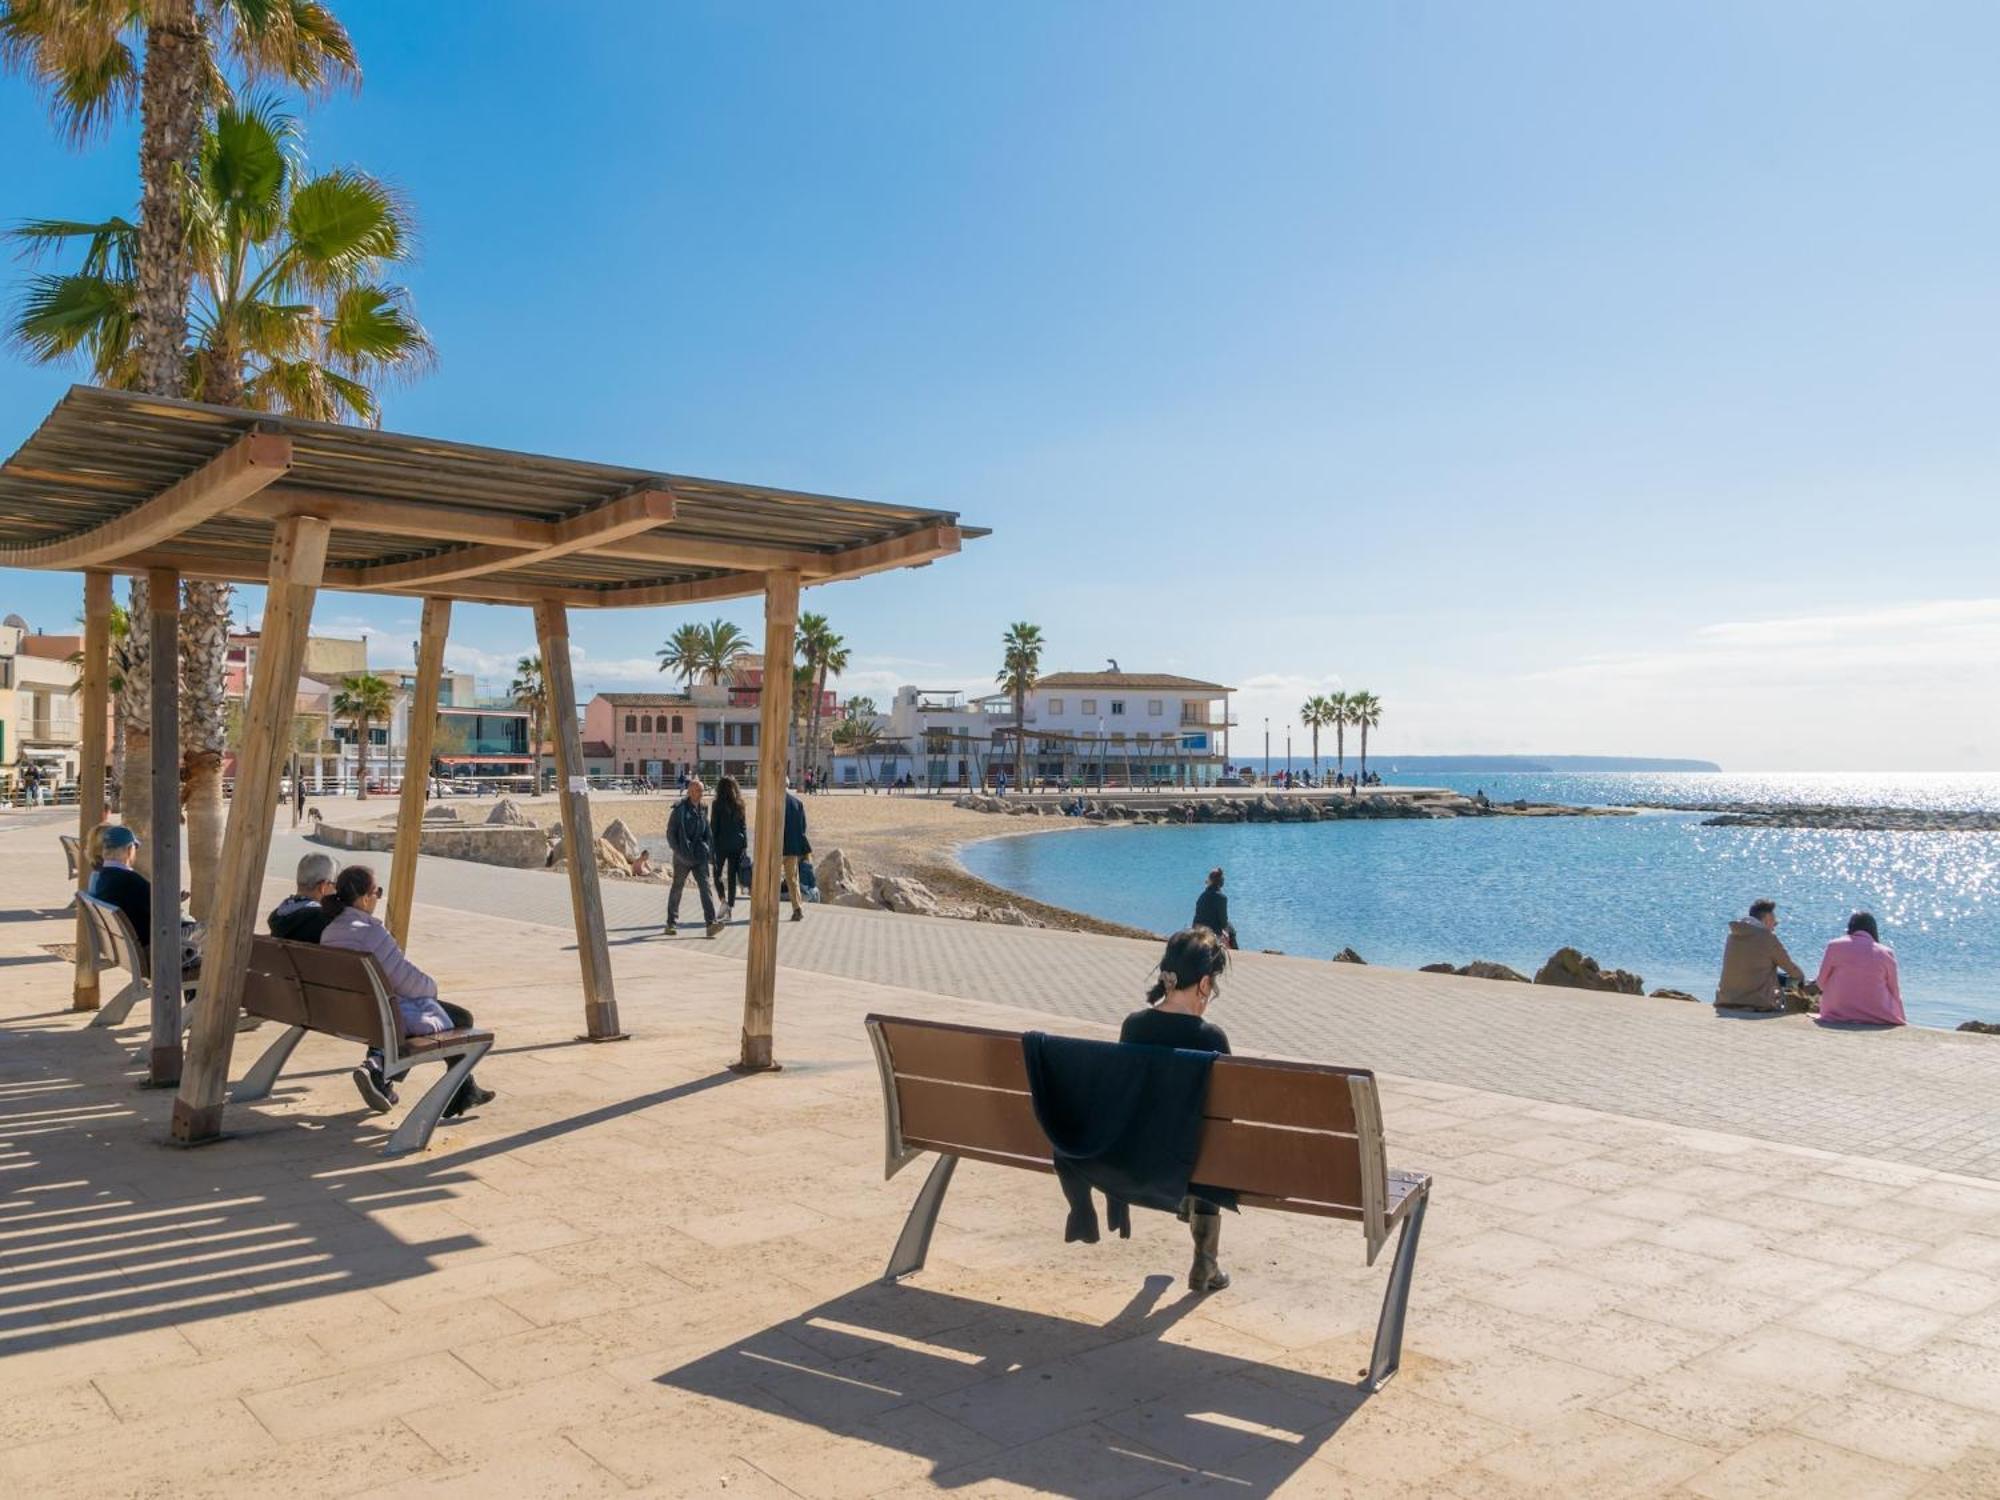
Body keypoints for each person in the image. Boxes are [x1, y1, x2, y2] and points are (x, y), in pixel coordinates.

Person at [320, 864, 495, 1117]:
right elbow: (405, 979)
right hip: (381, 1015)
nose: (378, 898)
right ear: (365, 897)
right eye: (377, 891)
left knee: (405, 1018)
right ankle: (390, 1074)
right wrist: (431, 987)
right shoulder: (370, 933)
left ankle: (387, 1074)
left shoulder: (330, 931)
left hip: (352, 1014)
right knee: (461, 1019)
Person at [1121, 927, 1233, 1292]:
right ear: (1203, 984)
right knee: (1209, 1142)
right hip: (1197, 1164)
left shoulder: (1133, 1027)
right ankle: (1205, 1261)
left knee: (1189, 1135)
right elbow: (1224, 1119)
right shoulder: (1211, 1038)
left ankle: (1203, 1250)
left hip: (1142, 1155)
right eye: (1212, 985)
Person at [1715, 897, 1805, 1012]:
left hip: (1726, 999)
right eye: (1775, 922)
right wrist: (1801, 979)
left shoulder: (1733, 935)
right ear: (1767, 919)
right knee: (1796, 979)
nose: (1775, 925)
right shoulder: (1767, 938)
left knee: (1772, 974)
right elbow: (1789, 967)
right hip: (1757, 1002)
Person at [1816, 912, 1905, 1026]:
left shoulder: (1834, 945)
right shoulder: (1886, 952)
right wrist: (1901, 1016)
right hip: (1879, 1013)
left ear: (1850, 927)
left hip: (1837, 1011)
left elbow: (1821, 982)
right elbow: (1894, 990)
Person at [664, 777, 723, 938]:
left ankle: (711, 923)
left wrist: (709, 851)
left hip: (700, 857)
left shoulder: (704, 807)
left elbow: (707, 832)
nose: (701, 793)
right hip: (682, 858)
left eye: (702, 790)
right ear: (690, 792)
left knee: (706, 889)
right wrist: (678, 851)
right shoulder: (679, 810)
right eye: (698, 790)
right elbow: (670, 834)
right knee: (677, 889)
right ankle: (671, 923)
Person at [269, 852, 336, 943]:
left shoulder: (278, 915)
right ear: (323, 887)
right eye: (333, 884)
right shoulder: (323, 920)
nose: (335, 890)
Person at [710, 775, 750, 921]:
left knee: (717, 874)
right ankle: (730, 908)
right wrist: (745, 845)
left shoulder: (717, 804)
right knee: (732, 877)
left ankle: (723, 902)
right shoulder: (740, 803)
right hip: (737, 845)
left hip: (721, 844)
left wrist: (711, 846)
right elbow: (743, 827)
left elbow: (713, 827)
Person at [782, 775, 811, 920]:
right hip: (792, 847)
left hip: (776, 848)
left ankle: (768, 907)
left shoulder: (774, 802)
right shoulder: (797, 803)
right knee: (792, 879)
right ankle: (797, 908)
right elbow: (803, 827)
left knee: (772, 879)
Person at [1191, 867, 1238, 949]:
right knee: (1231, 929)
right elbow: (1223, 922)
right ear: (1221, 883)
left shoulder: (1202, 895)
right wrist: (1226, 931)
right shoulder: (1222, 898)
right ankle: (1235, 952)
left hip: (1197, 928)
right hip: (1211, 931)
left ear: (1210, 881)